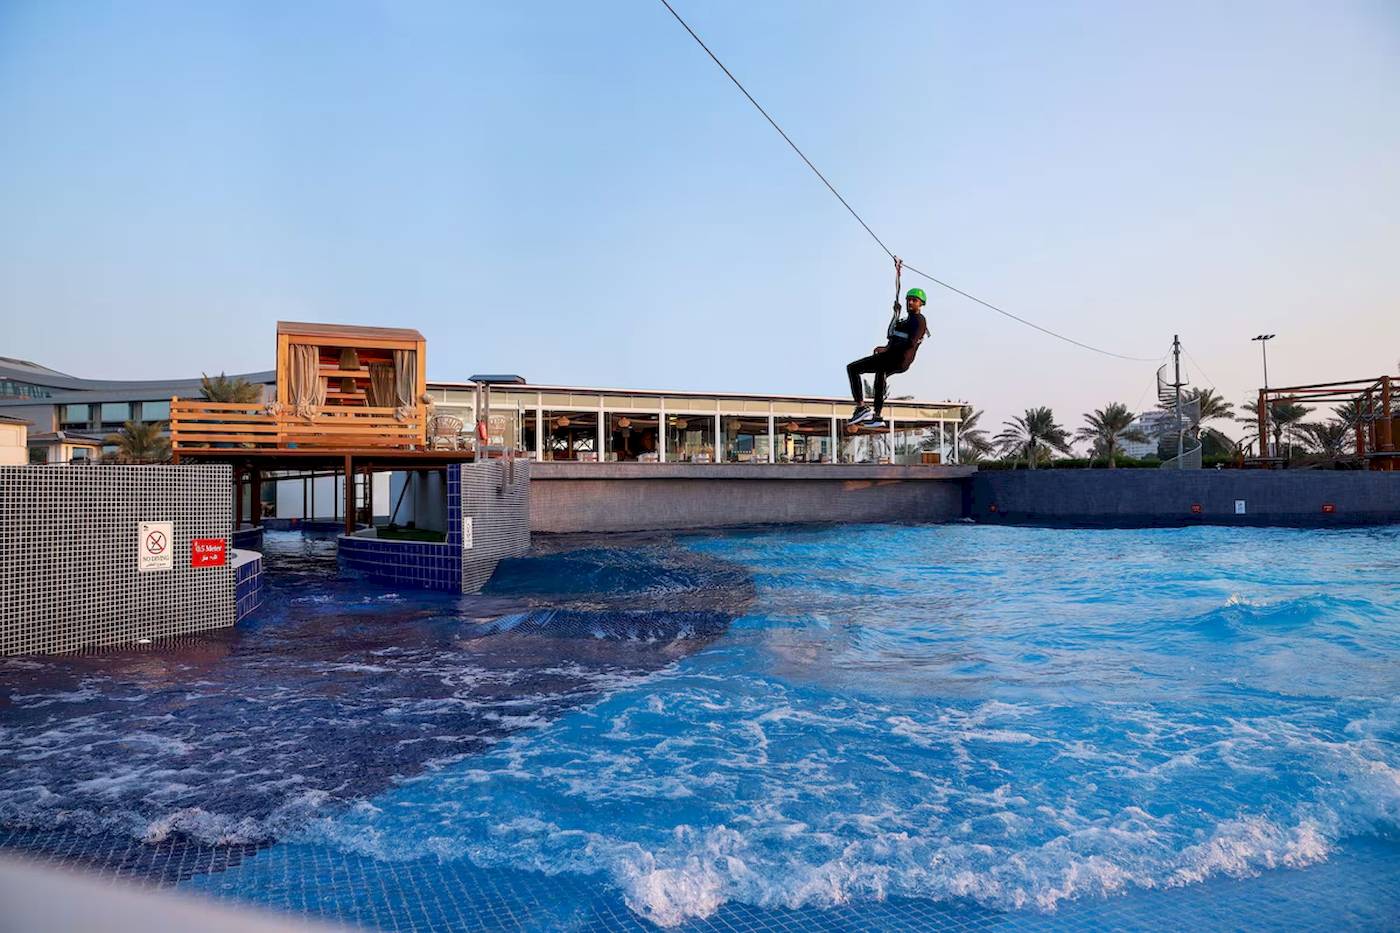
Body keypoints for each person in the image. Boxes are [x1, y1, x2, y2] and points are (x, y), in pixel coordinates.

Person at [847, 285, 929, 427]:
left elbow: (911, 342)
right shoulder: (905, 321)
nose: (910, 302)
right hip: (894, 357)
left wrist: (888, 349)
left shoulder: (919, 320)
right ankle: (877, 417)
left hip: (897, 358)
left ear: (921, 303)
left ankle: (861, 407)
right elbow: (891, 334)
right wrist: (895, 314)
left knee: (853, 368)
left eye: (914, 300)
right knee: (880, 375)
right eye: (909, 300)